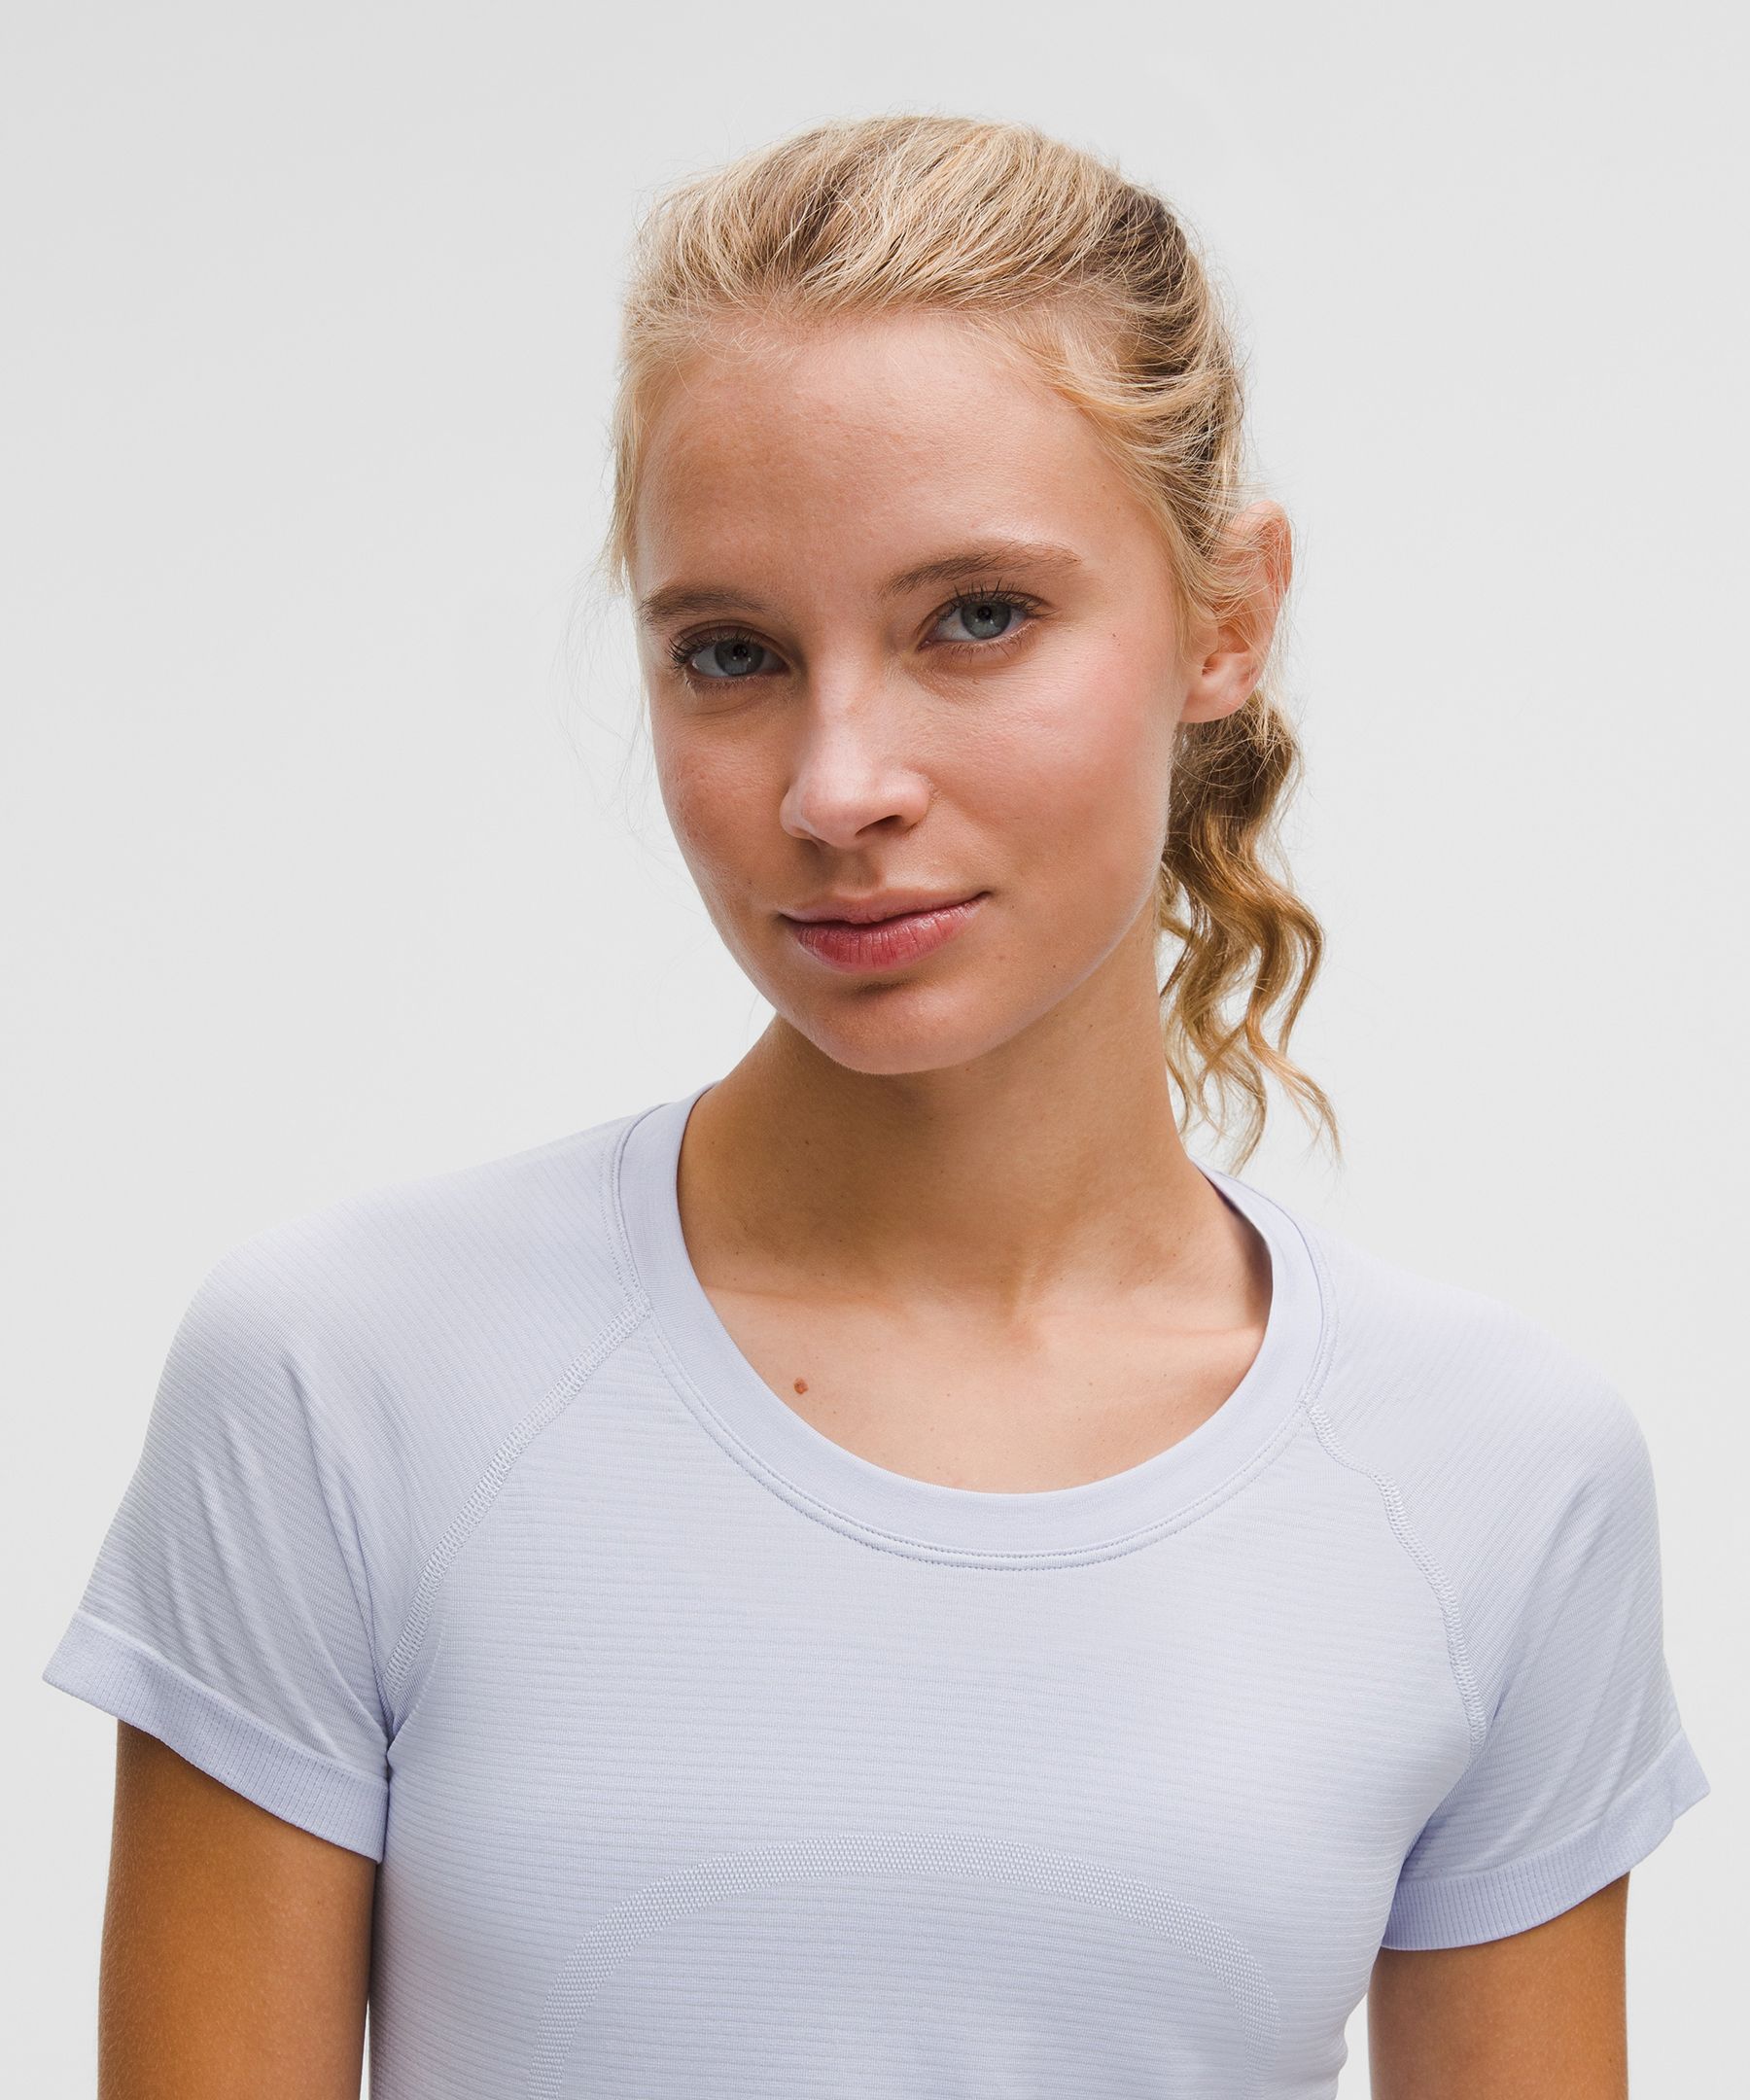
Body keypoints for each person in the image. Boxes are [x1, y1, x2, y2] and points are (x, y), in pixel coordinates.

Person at [43, 113, 1710, 2098]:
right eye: (732, 653)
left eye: (975, 618)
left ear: (1227, 619)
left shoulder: (1493, 1477)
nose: (838, 787)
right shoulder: (345, 1382)